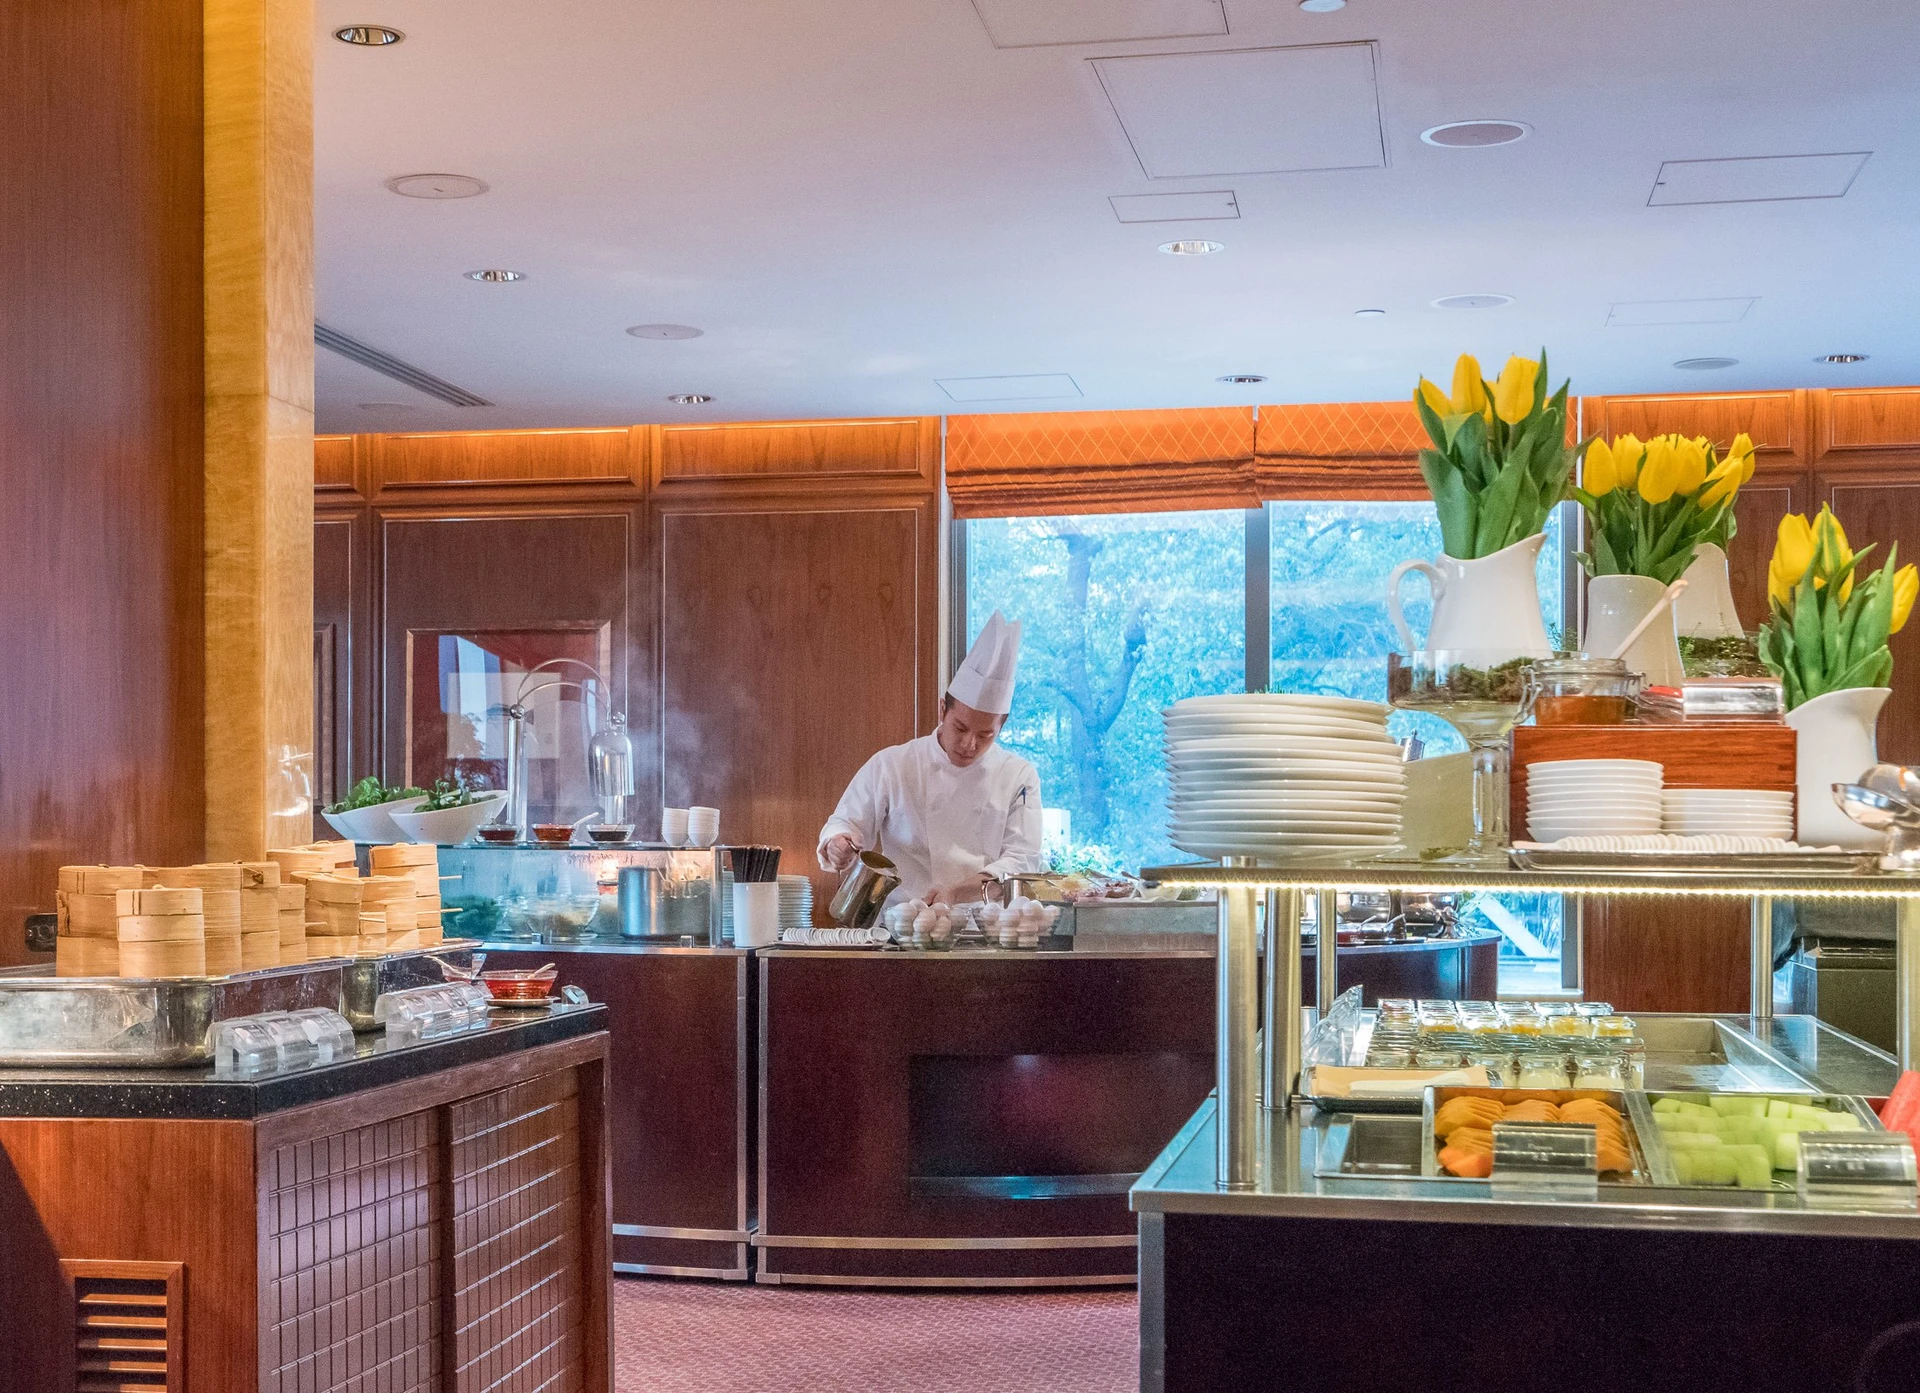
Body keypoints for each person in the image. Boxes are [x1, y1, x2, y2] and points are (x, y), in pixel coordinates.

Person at [817, 611, 1044, 905]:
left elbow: (1023, 860)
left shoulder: (1018, 776)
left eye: (986, 735)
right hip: (902, 927)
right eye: (960, 727)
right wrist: (838, 843)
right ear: (942, 710)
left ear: (1001, 727)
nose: (969, 744)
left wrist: (957, 893)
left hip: (984, 931)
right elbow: (846, 822)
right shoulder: (894, 765)